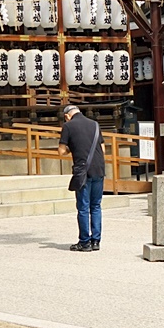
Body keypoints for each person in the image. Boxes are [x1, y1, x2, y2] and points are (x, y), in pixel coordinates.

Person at [58, 104, 105, 252]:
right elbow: (103, 148)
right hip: (99, 170)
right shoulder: (95, 124)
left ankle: (84, 242)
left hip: (83, 171)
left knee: (83, 207)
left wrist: (74, 148)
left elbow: (61, 151)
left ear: (67, 115)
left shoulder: (68, 126)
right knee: (96, 206)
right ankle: (96, 241)